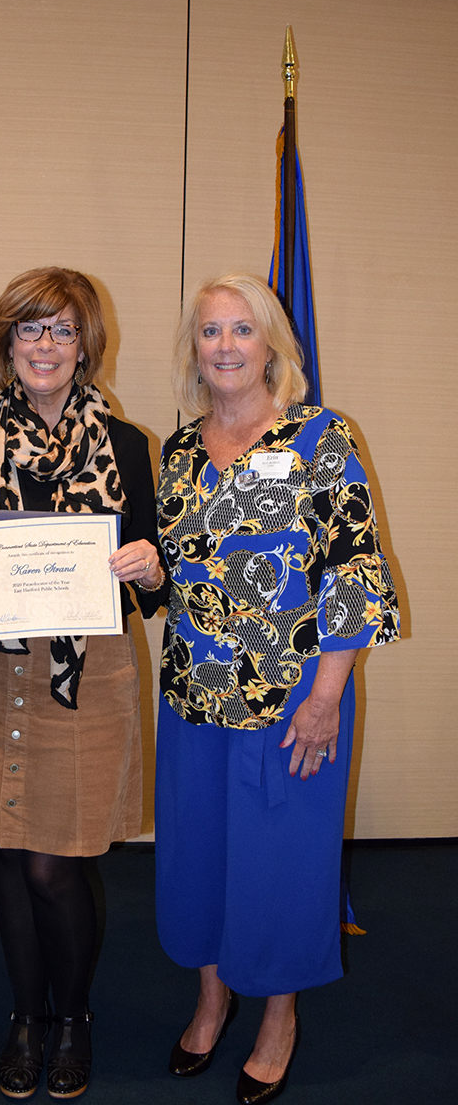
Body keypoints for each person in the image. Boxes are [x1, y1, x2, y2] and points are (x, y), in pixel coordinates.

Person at [154, 273, 400, 1104]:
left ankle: (279, 1016)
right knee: (199, 853)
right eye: (210, 331)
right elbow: (174, 568)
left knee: (282, 859)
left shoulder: (322, 437)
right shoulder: (179, 450)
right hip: (193, 696)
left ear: (271, 345)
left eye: (242, 329)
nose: (225, 345)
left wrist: (327, 698)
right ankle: (212, 996)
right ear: (194, 348)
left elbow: (355, 573)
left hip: (293, 700)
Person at [0, 267, 168, 1100]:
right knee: (8, 846)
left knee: (54, 863)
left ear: (85, 345)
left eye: (62, 330)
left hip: (85, 672)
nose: (45, 345)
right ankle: (25, 1017)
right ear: (7, 343)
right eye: (29, 328)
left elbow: (156, 585)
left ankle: (74, 1016)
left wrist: (148, 567)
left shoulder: (128, 445)